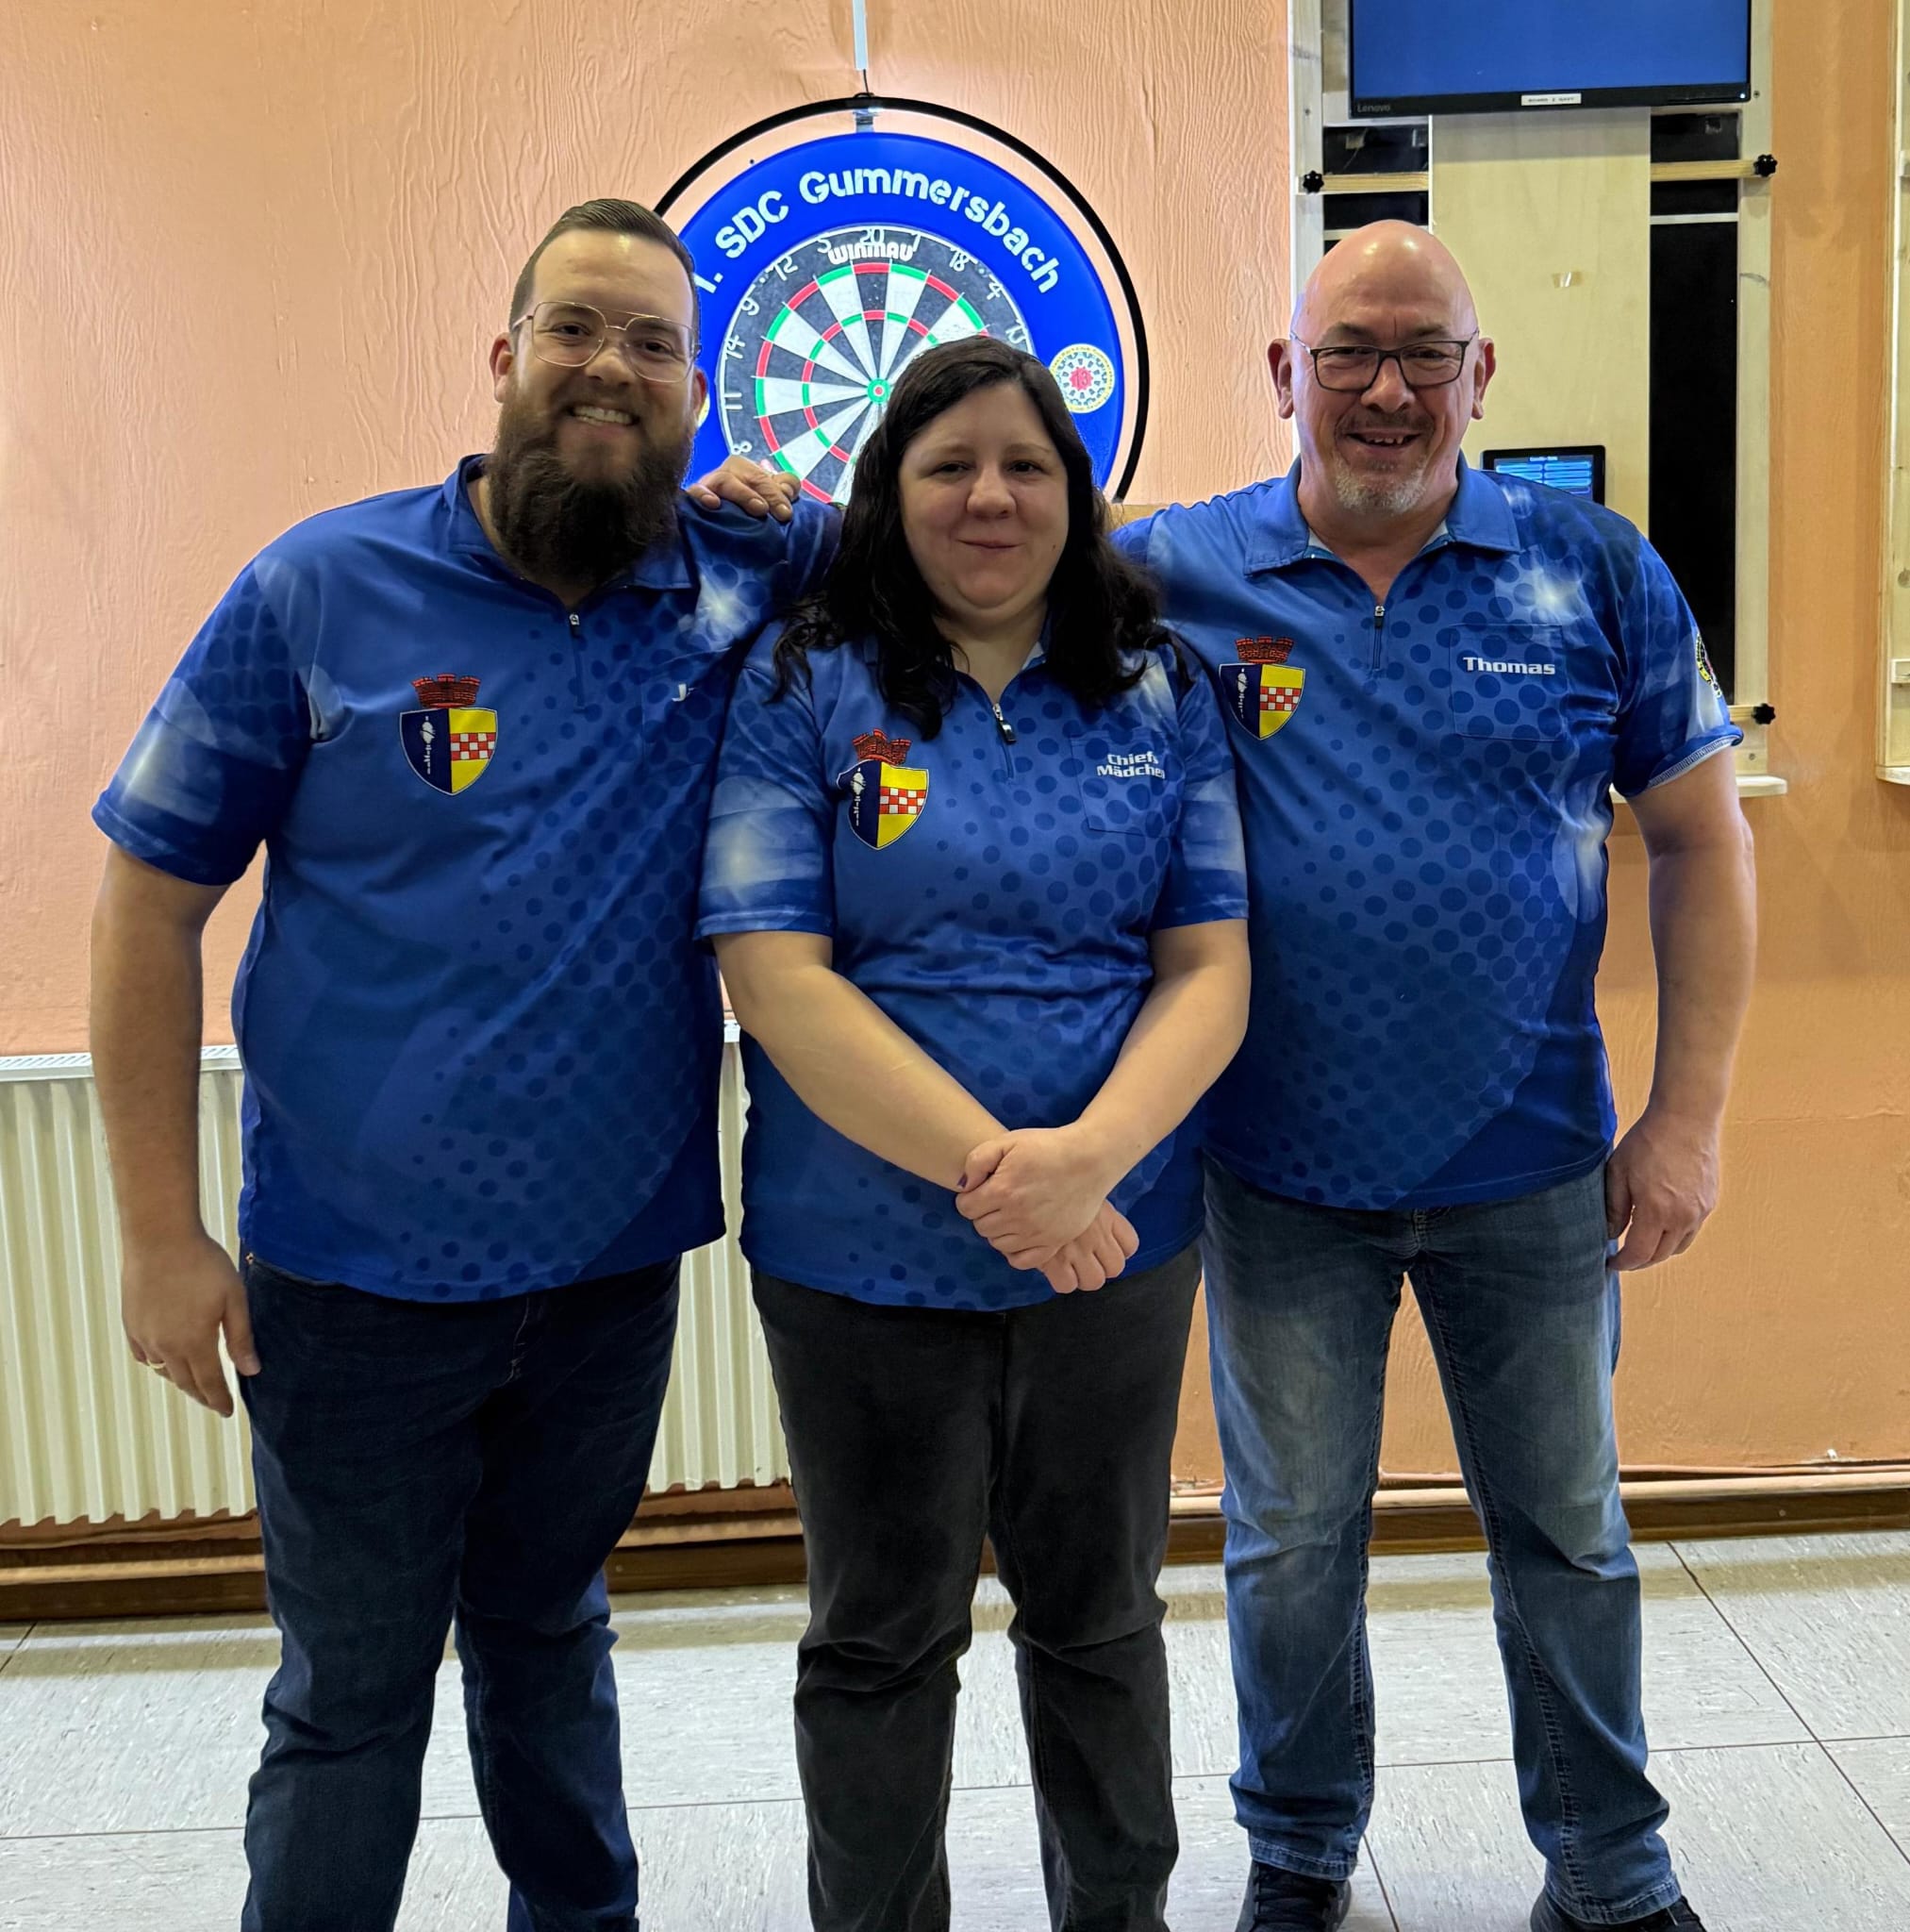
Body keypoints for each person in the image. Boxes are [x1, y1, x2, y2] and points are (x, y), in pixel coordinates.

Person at [88, 197, 832, 1932]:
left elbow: (985, 536)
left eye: (653, 345)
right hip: (349, 1284)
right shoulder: (317, 589)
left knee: (550, 1636)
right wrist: (158, 1235)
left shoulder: (737, 581)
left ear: (698, 396)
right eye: (575, 327)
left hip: (608, 1271)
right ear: (503, 356)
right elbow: (145, 902)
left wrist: (802, 510)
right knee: (351, 1696)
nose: (609, 368)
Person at [1108, 224, 1755, 1932]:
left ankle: (1608, 1875)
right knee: (1288, 1542)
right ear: (1284, 373)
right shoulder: (1171, 571)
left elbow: (1701, 840)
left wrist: (1683, 1122)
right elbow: (960, 550)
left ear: (1480, 374)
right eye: (1348, 351)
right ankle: (1299, 1856)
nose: (1385, 390)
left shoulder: (1590, 568)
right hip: (1273, 1168)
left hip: (1532, 1166)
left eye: (1422, 354)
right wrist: (765, 518)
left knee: (1567, 1535)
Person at [695, 336, 1252, 1932]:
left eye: (1024, 464)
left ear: (1073, 492)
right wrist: (1008, 1180)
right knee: (879, 1637)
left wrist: (1088, 1165)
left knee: (1098, 1622)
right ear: (892, 493)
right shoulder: (801, 680)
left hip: (1114, 1245)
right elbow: (773, 976)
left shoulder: (1156, 682)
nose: (989, 496)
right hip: (858, 1255)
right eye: (948, 465)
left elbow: (1210, 968)